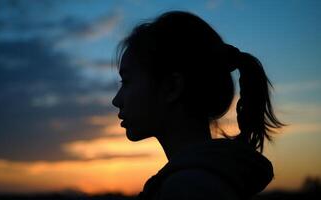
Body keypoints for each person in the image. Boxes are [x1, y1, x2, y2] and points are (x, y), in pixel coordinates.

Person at [112, 11, 284, 200]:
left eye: (126, 82)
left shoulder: (187, 189)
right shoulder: (208, 179)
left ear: (172, 87)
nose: (116, 100)